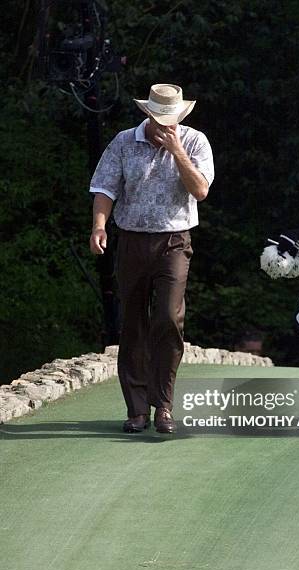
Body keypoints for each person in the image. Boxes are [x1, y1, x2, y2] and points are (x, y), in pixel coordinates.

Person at [89, 83, 214, 434]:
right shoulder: (124, 142)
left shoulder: (194, 141)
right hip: (131, 240)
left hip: (174, 241)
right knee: (132, 322)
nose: (166, 126)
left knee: (168, 318)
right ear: (148, 115)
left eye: (171, 121)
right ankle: (137, 409)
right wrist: (99, 227)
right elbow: (104, 187)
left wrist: (177, 151)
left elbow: (201, 190)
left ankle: (165, 405)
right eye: (160, 120)